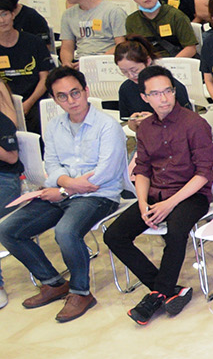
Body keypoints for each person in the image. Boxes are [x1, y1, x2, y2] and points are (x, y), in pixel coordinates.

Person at [0, 68, 125, 322]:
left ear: (86, 91)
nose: (71, 101)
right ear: (54, 99)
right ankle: (53, 283)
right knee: (8, 229)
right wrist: (64, 187)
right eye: (62, 96)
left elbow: (106, 173)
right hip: (63, 192)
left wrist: (64, 189)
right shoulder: (55, 126)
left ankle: (81, 292)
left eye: (75, 93)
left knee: (66, 232)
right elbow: (51, 164)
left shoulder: (107, 126)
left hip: (100, 195)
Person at [103, 65, 213, 324]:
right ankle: (166, 290)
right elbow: (142, 170)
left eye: (168, 91)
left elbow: (203, 174)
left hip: (191, 194)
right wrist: (143, 202)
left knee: (175, 231)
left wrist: (169, 204)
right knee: (114, 235)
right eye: (155, 94)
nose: (163, 98)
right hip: (156, 193)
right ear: (144, 97)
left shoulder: (195, 124)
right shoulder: (145, 128)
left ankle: (155, 296)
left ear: (174, 91)